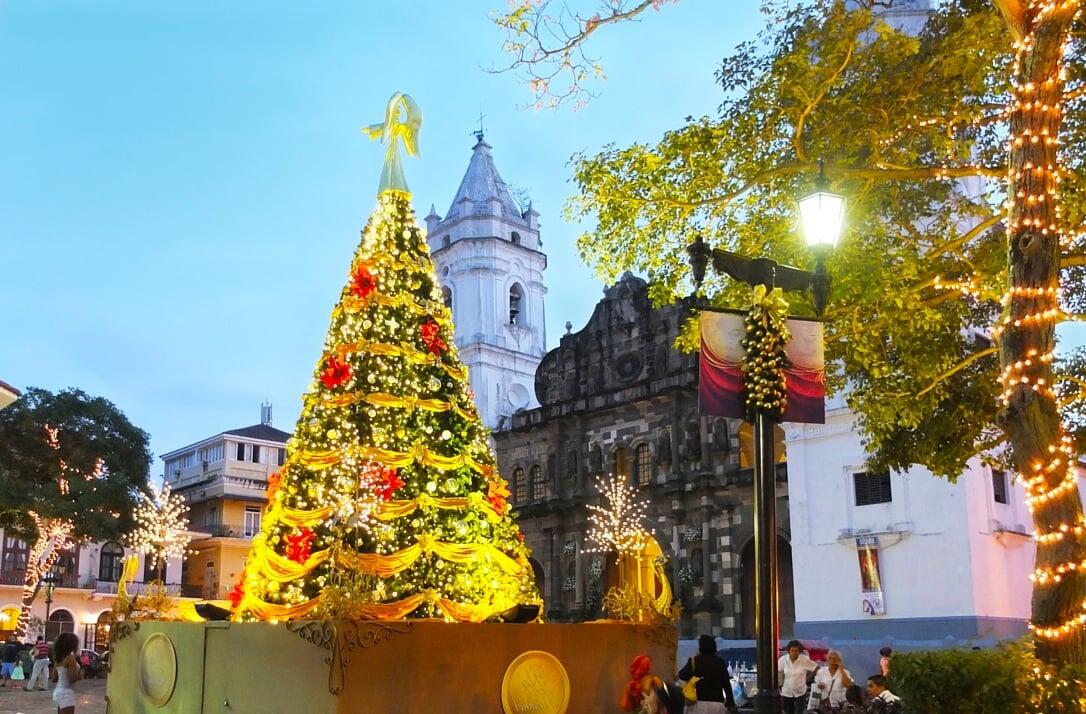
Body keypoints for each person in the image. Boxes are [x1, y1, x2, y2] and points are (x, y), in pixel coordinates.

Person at [678, 635, 739, 713]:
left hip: (698, 703)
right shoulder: (720, 662)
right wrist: (730, 703)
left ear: (700, 647)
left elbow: (682, 675)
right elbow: (726, 684)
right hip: (717, 703)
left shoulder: (694, 661)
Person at [778, 639, 818, 714]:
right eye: (792, 650)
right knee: (788, 712)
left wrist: (808, 678)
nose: (794, 653)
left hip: (800, 691)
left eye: (796, 651)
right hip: (787, 691)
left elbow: (816, 667)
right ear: (789, 650)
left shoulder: (804, 660)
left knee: (799, 712)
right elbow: (778, 672)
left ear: (799, 651)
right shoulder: (783, 660)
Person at [50, 632, 81, 714]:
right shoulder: (70, 658)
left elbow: (53, 679)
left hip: (57, 692)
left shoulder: (59, 659)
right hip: (66, 693)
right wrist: (81, 674)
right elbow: (72, 678)